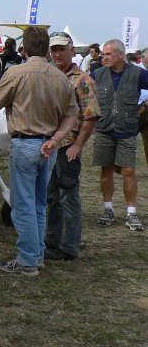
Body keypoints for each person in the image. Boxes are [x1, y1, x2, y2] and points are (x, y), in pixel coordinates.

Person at [0, 27, 78, 276]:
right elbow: (72, 115)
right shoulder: (60, 77)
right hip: (49, 145)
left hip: (25, 143)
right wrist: (57, 138)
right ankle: (36, 255)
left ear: (24, 49)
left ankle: (27, 260)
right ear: (47, 49)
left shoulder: (16, 73)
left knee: (23, 206)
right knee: (39, 203)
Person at [45, 32, 101, 261]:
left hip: (67, 146)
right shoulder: (49, 75)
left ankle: (69, 247)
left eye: (61, 49)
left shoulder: (82, 80)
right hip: (49, 145)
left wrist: (78, 145)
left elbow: (91, 115)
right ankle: (52, 240)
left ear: (72, 51)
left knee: (68, 197)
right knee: (51, 197)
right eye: (54, 50)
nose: (57, 54)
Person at [92, 39, 148, 231]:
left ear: (120, 55)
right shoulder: (97, 74)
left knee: (129, 171)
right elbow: (86, 95)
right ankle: (108, 209)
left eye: (108, 54)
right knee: (105, 170)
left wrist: (144, 106)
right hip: (104, 130)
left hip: (127, 130)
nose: (104, 57)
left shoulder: (137, 73)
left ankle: (131, 213)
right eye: (103, 54)